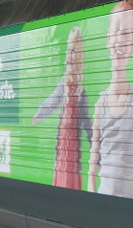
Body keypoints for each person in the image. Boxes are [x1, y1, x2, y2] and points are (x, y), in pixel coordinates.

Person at [87, 0, 133, 200]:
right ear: (107, 38)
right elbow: (94, 152)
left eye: (127, 33)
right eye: (117, 31)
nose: (121, 40)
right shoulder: (101, 103)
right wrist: (90, 190)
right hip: (103, 195)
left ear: (132, 43)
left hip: (128, 200)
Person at [33, 26, 92, 189]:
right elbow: (53, 100)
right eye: (69, 50)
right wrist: (40, 113)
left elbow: (86, 118)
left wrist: (93, 140)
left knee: (72, 165)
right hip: (64, 135)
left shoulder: (81, 89)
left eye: (74, 51)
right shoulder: (64, 83)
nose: (70, 55)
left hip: (74, 137)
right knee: (62, 162)